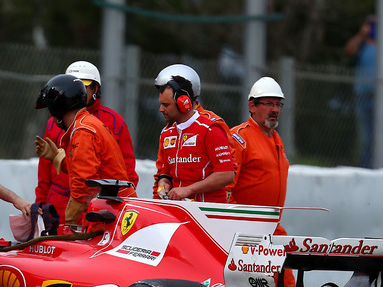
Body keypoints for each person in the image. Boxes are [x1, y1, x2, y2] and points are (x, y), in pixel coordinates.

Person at [35, 60, 138, 224]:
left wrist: (70, 220)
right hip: (98, 208)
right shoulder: (85, 123)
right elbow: (88, 170)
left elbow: (85, 184)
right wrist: (58, 158)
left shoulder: (84, 129)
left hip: (103, 211)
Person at [229, 76, 294, 287]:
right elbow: (225, 186)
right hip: (246, 232)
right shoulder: (239, 137)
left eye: (278, 104)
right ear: (252, 106)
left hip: (273, 230)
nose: (274, 109)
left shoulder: (277, 139)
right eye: (268, 103)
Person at [152, 65, 234, 202]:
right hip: (179, 211)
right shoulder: (167, 133)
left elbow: (226, 175)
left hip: (207, 213)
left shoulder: (210, 129)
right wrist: (164, 182)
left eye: (166, 105)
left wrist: (189, 189)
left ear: (183, 102)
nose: (161, 109)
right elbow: (165, 172)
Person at [345, 14, 377, 168]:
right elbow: (349, 50)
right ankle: (365, 168)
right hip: (363, 96)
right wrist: (361, 35)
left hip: (381, 98)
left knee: (379, 135)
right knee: (365, 138)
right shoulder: (362, 45)